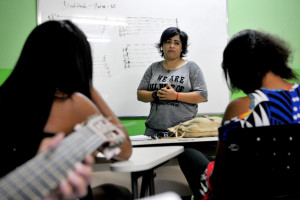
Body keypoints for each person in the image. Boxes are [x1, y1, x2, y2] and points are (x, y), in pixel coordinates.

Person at [0, 20, 132, 199]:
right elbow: (123, 150)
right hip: (60, 194)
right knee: (118, 193)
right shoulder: (74, 104)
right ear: (77, 63)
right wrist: (88, 86)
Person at [178, 29, 299, 200]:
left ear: (240, 69)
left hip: (247, 192)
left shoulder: (242, 107)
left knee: (188, 155)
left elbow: (221, 173)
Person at [137, 27, 208, 136]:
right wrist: (156, 94)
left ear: (182, 47)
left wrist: (176, 96)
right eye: (167, 42)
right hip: (153, 131)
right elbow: (140, 94)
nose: (171, 46)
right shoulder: (153, 68)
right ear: (162, 45)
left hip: (183, 131)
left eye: (176, 43)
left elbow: (202, 95)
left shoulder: (191, 68)